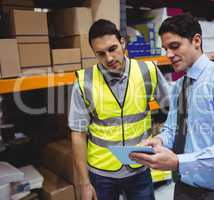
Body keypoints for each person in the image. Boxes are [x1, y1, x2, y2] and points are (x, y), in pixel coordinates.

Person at [130, 13, 214, 200]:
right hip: (183, 186)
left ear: (196, 41)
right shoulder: (179, 86)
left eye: (175, 46)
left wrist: (179, 161)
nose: (169, 54)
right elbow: (173, 129)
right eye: (165, 49)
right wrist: (160, 140)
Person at [68, 19, 169, 200]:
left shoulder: (148, 71)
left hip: (139, 166)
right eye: (100, 54)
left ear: (122, 42)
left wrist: (164, 142)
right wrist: (84, 183)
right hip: (101, 172)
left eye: (112, 49)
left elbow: (173, 111)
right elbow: (78, 134)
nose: (109, 58)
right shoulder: (84, 82)